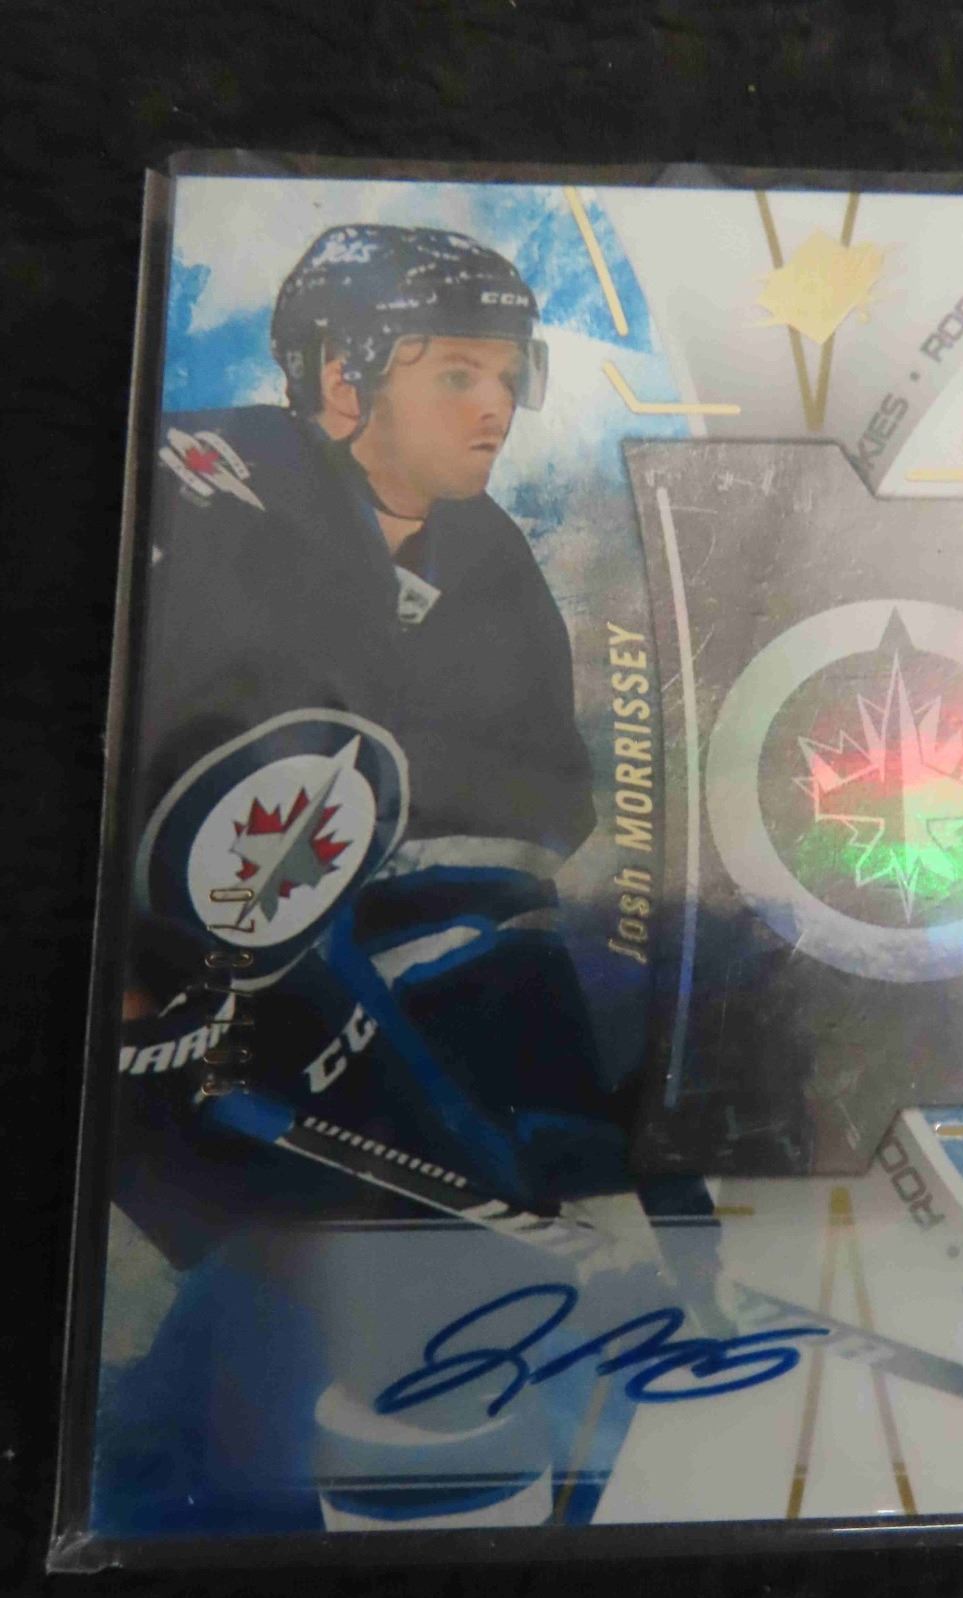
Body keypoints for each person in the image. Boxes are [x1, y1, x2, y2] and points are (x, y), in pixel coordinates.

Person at [119, 223, 684, 1264]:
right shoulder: (192, 483)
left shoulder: (488, 566)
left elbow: (478, 890)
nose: (495, 407)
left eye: (510, 377)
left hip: (295, 1000)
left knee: (458, 1238)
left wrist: (566, 1142)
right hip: (127, 1012)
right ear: (345, 377)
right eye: (460, 373)